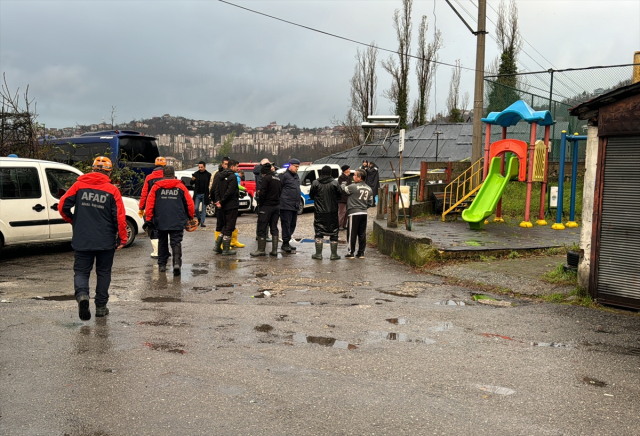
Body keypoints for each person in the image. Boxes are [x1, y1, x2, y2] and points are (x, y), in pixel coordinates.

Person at [58, 156, 127, 320]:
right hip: (105, 240)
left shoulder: (78, 186)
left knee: (81, 272)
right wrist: (122, 238)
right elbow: (120, 217)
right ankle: (101, 307)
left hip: (82, 238)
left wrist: (73, 221)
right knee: (103, 272)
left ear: (92, 169)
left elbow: (62, 206)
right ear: (108, 172)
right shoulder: (112, 190)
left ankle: (82, 296)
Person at [145, 166, 195, 275]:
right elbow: (189, 203)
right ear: (173, 174)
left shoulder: (156, 187)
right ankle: (176, 263)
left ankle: (162, 265)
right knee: (176, 241)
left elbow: (149, 204)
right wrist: (191, 216)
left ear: (163, 175)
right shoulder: (181, 187)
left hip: (160, 219)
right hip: (177, 219)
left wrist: (148, 218)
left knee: (162, 242)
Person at [309, 165, 342, 260]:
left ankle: (318, 254)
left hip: (319, 212)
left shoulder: (315, 183)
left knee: (319, 231)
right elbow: (340, 195)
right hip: (332, 212)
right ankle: (334, 254)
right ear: (330, 173)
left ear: (321, 173)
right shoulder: (335, 183)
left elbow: (311, 195)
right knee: (334, 232)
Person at [341, 169, 374, 259]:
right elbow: (370, 203)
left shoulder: (353, 187)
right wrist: (363, 207)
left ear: (359, 178)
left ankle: (351, 252)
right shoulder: (369, 188)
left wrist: (343, 184)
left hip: (354, 213)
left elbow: (343, 189)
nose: (353, 177)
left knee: (352, 233)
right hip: (364, 213)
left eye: (355, 175)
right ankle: (361, 253)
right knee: (362, 233)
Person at [250, 163, 281, 257]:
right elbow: (280, 192)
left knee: (262, 228)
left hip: (266, 207)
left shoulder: (266, 179)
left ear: (263, 173)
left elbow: (262, 193)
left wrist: (260, 202)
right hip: (276, 206)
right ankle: (274, 250)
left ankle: (261, 250)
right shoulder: (278, 179)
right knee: (274, 227)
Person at [138, 156, 167, 258]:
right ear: (165, 165)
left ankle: (156, 252)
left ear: (155, 165)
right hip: (166, 207)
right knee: (165, 228)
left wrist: (141, 207)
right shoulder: (169, 177)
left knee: (153, 228)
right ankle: (165, 250)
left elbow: (144, 194)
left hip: (152, 207)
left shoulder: (149, 178)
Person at [214, 159, 240, 255]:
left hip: (223, 206)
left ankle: (217, 246)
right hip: (231, 205)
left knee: (225, 226)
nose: (238, 168)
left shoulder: (220, 175)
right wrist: (222, 201)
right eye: (237, 166)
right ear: (232, 166)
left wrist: (218, 201)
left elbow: (216, 189)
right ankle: (226, 249)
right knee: (230, 226)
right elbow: (230, 191)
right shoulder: (232, 177)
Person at [279, 158, 301, 253]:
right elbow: (278, 189)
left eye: (298, 167)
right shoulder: (284, 176)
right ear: (290, 165)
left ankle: (287, 241)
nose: (297, 169)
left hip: (294, 205)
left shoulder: (296, 177)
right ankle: (285, 243)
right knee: (286, 224)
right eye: (296, 167)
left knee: (292, 224)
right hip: (286, 205)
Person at [210, 157, 229, 252]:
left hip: (227, 203)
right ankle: (218, 245)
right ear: (222, 164)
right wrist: (215, 200)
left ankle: (225, 243)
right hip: (220, 203)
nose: (226, 166)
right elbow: (213, 188)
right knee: (220, 223)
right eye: (225, 164)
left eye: (228, 164)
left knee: (227, 224)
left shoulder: (230, 174)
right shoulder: (218, 174)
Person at [253, 158, 272, 242]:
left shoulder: (258, 172)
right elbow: (263, 185)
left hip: (259, 196)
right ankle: (264, 235)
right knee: (265, 217)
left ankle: (259, 234)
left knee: (261, 217)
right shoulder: (262, 173)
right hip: (263, 197)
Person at [191, 161, 211, 227]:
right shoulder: (196, 174)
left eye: (201, 167)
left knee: (203, 209)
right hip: (197, 194)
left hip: (205, 194)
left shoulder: (208, 175)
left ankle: (202, 222)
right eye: (199, 167)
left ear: (205, 167)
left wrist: (209, 193)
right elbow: (191, 183)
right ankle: (199, 218)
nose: (200, 168)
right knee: (196, 208)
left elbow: (210, 184)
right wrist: (193, 180)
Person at [337, 165, 352, 230]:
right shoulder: (341, 178)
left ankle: (344, 225)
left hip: (348, 198)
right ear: (345, 170)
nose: (350, 170)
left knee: (347, 213)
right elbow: (342, 188)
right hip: (342, 198)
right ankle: (340, 225)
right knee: (342, 212)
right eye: (349, 169)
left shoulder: (349, 178)